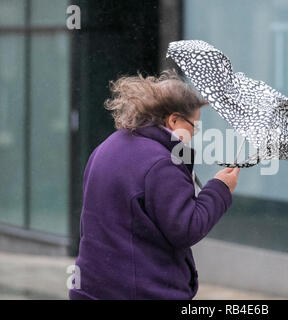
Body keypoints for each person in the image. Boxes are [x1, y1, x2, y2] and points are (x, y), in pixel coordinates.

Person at [69, 69, 240, 300]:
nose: (195, 133)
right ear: (174, 120)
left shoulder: (107, 146)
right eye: (194, 126)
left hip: (93, 289)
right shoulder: (162, 163)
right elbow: (187, 228)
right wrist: (220, 188)